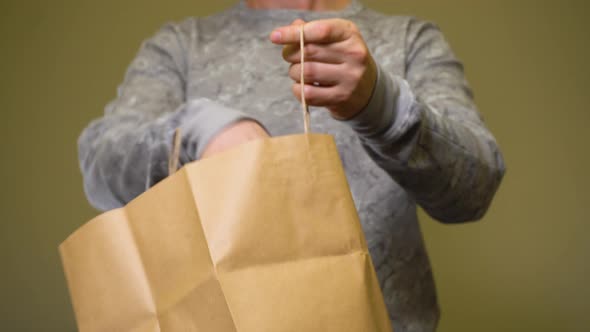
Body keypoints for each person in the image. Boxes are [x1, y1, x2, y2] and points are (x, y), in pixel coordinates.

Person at [77, 0, 505, 330]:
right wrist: (202, 130)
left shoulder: (410, 40)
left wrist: (379, 104)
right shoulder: (182, 46)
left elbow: (474, 189)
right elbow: (100, 164)